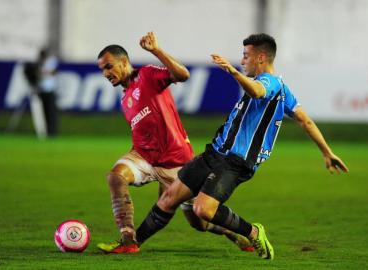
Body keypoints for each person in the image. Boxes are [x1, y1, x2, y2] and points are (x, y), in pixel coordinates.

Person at [110, 33, 349, 259]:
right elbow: (305, 121)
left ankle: (253, 232)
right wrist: (327, 152)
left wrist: (233, 71)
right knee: (169, 198)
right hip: (215, 152)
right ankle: (132, 243)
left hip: (236, 161)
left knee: (203, 210)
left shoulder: (271, 83)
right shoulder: (284, 92)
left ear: (261, 57)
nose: (243, 59)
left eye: (246, 55)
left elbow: (257, 92)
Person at [96, 32, 254, 254]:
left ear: (124, 62)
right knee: (116, 176)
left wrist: (156, 51)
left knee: (198, 221)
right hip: (144, 156)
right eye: (102, 69)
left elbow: (183, 75)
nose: (105, 73)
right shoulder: (125, 98)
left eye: (109, 66)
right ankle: (127, 237)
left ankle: (232, 232)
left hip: (177, 162)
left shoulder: (148, 75)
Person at [36, 48, 59, 137]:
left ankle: (53, 132)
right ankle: (46, 132)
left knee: (51, 113)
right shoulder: (39, 63)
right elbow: (37, 74)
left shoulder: (51, 61)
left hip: (50, 90)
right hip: (42, 90)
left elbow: (54, 71)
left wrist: (44, 72)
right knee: (44, 113)